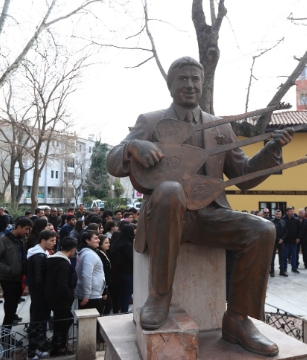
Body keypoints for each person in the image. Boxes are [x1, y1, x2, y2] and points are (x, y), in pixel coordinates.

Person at [105, 56, 293, 356]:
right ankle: (160, 295)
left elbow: (243, 176)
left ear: (202, 84)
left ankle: (237, 320)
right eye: (183, 79)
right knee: (169, 190)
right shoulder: (151, 121)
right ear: (170, 85)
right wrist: (131, 147)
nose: (190, 85)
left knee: (264, 229)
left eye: (196, 79)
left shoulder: (220, 126)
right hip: (166, 214)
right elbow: (112, 161)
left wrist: (270, 151)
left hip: (210, 214)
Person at [0, 217, 33, 327]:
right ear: (19, 227)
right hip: (8, 280)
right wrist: (9, 270)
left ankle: (8, 336)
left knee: (13, 309)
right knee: (9, 310)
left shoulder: (21, 239)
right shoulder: (3, 240)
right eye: (26, 229)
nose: (27, 232)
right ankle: (6, 338)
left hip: (19, 279)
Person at [27, 230, 57, 360]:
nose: (54, 244)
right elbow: (39, 279)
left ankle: (37, 348)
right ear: (43, 241)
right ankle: (31, 353)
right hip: (40, 296)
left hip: (39, 295)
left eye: (55, 241)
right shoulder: (39, 256)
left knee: (39, 324)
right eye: (51, 241)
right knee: (37, 324)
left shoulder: (40, 253)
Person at [45, 237, 77, 356]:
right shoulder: (63, 264)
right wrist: (70, 295)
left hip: (54, 298)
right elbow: (62, 286)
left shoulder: (52, 260)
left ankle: (59, 347)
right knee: (62, 324)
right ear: (72, 250)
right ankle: (58, 349)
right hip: (61, 300)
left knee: (63, 322)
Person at [76, 231, 105, 313]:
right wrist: (87, 295)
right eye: (95, 238)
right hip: (91, 297)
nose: (98, 240)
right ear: (87, 241)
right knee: (91, 324)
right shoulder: (89, 255)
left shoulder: (87, 253)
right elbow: (86, 275)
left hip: (92, 295)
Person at [96, 235, 113, 314]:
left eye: (108, 242)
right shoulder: (99, 255)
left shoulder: (103, 253)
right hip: (102, 285)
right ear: (100, 244)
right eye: (106, 243)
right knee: (107, 305)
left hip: (105, 284)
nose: (108, 244)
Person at [282, 206, 301, 275]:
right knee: (285, 255)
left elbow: (300, 230)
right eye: (290, 211)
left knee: (294, 255)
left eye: (293, 211)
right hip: (285, 241)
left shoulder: (296, 220)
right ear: (287, 212)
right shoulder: (283, 219)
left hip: (294, 241)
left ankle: (294, 268)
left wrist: (298, 238)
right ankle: (284, 268)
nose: (292, 212)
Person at [270, 210, 287, 277]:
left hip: (282, 242)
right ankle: (272, 271)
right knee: (272, 257)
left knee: (282, 256)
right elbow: (271, 232)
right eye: (277, 214)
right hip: (274, 242)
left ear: (281, 215)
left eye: (279, 214)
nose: (278, 215)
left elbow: (286, 232)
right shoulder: (271, 222)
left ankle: (282, 271)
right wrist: (277, 239)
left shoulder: (283, 222)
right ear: (274, 215)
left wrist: (282, 239)